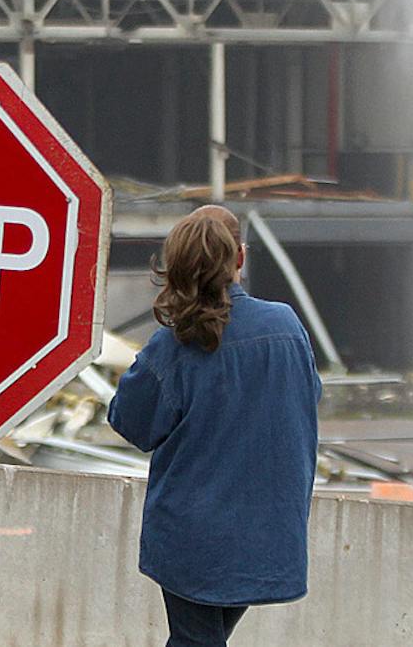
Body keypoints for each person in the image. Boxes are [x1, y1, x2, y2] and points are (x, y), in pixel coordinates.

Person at [107, 205, 321, 646]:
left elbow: (130, 422)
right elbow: (307, 396)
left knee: (195, 640)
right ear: (239, 258)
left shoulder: (173, 345)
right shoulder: (286, 326)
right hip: (265, 534)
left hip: (192, 539)